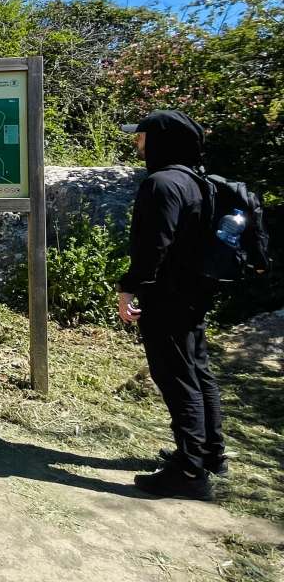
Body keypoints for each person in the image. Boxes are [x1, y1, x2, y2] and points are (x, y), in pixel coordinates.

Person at [117, 110, 226, 501]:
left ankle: (190, 473)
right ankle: (210, 454)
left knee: (177, 378)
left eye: (142, 136)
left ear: (160, 140)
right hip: (195, 293)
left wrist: (130, 288)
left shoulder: (161, 184)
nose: (137, 142)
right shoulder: (200, 182)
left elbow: (154, 247)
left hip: (168, 297)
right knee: (198, 372)